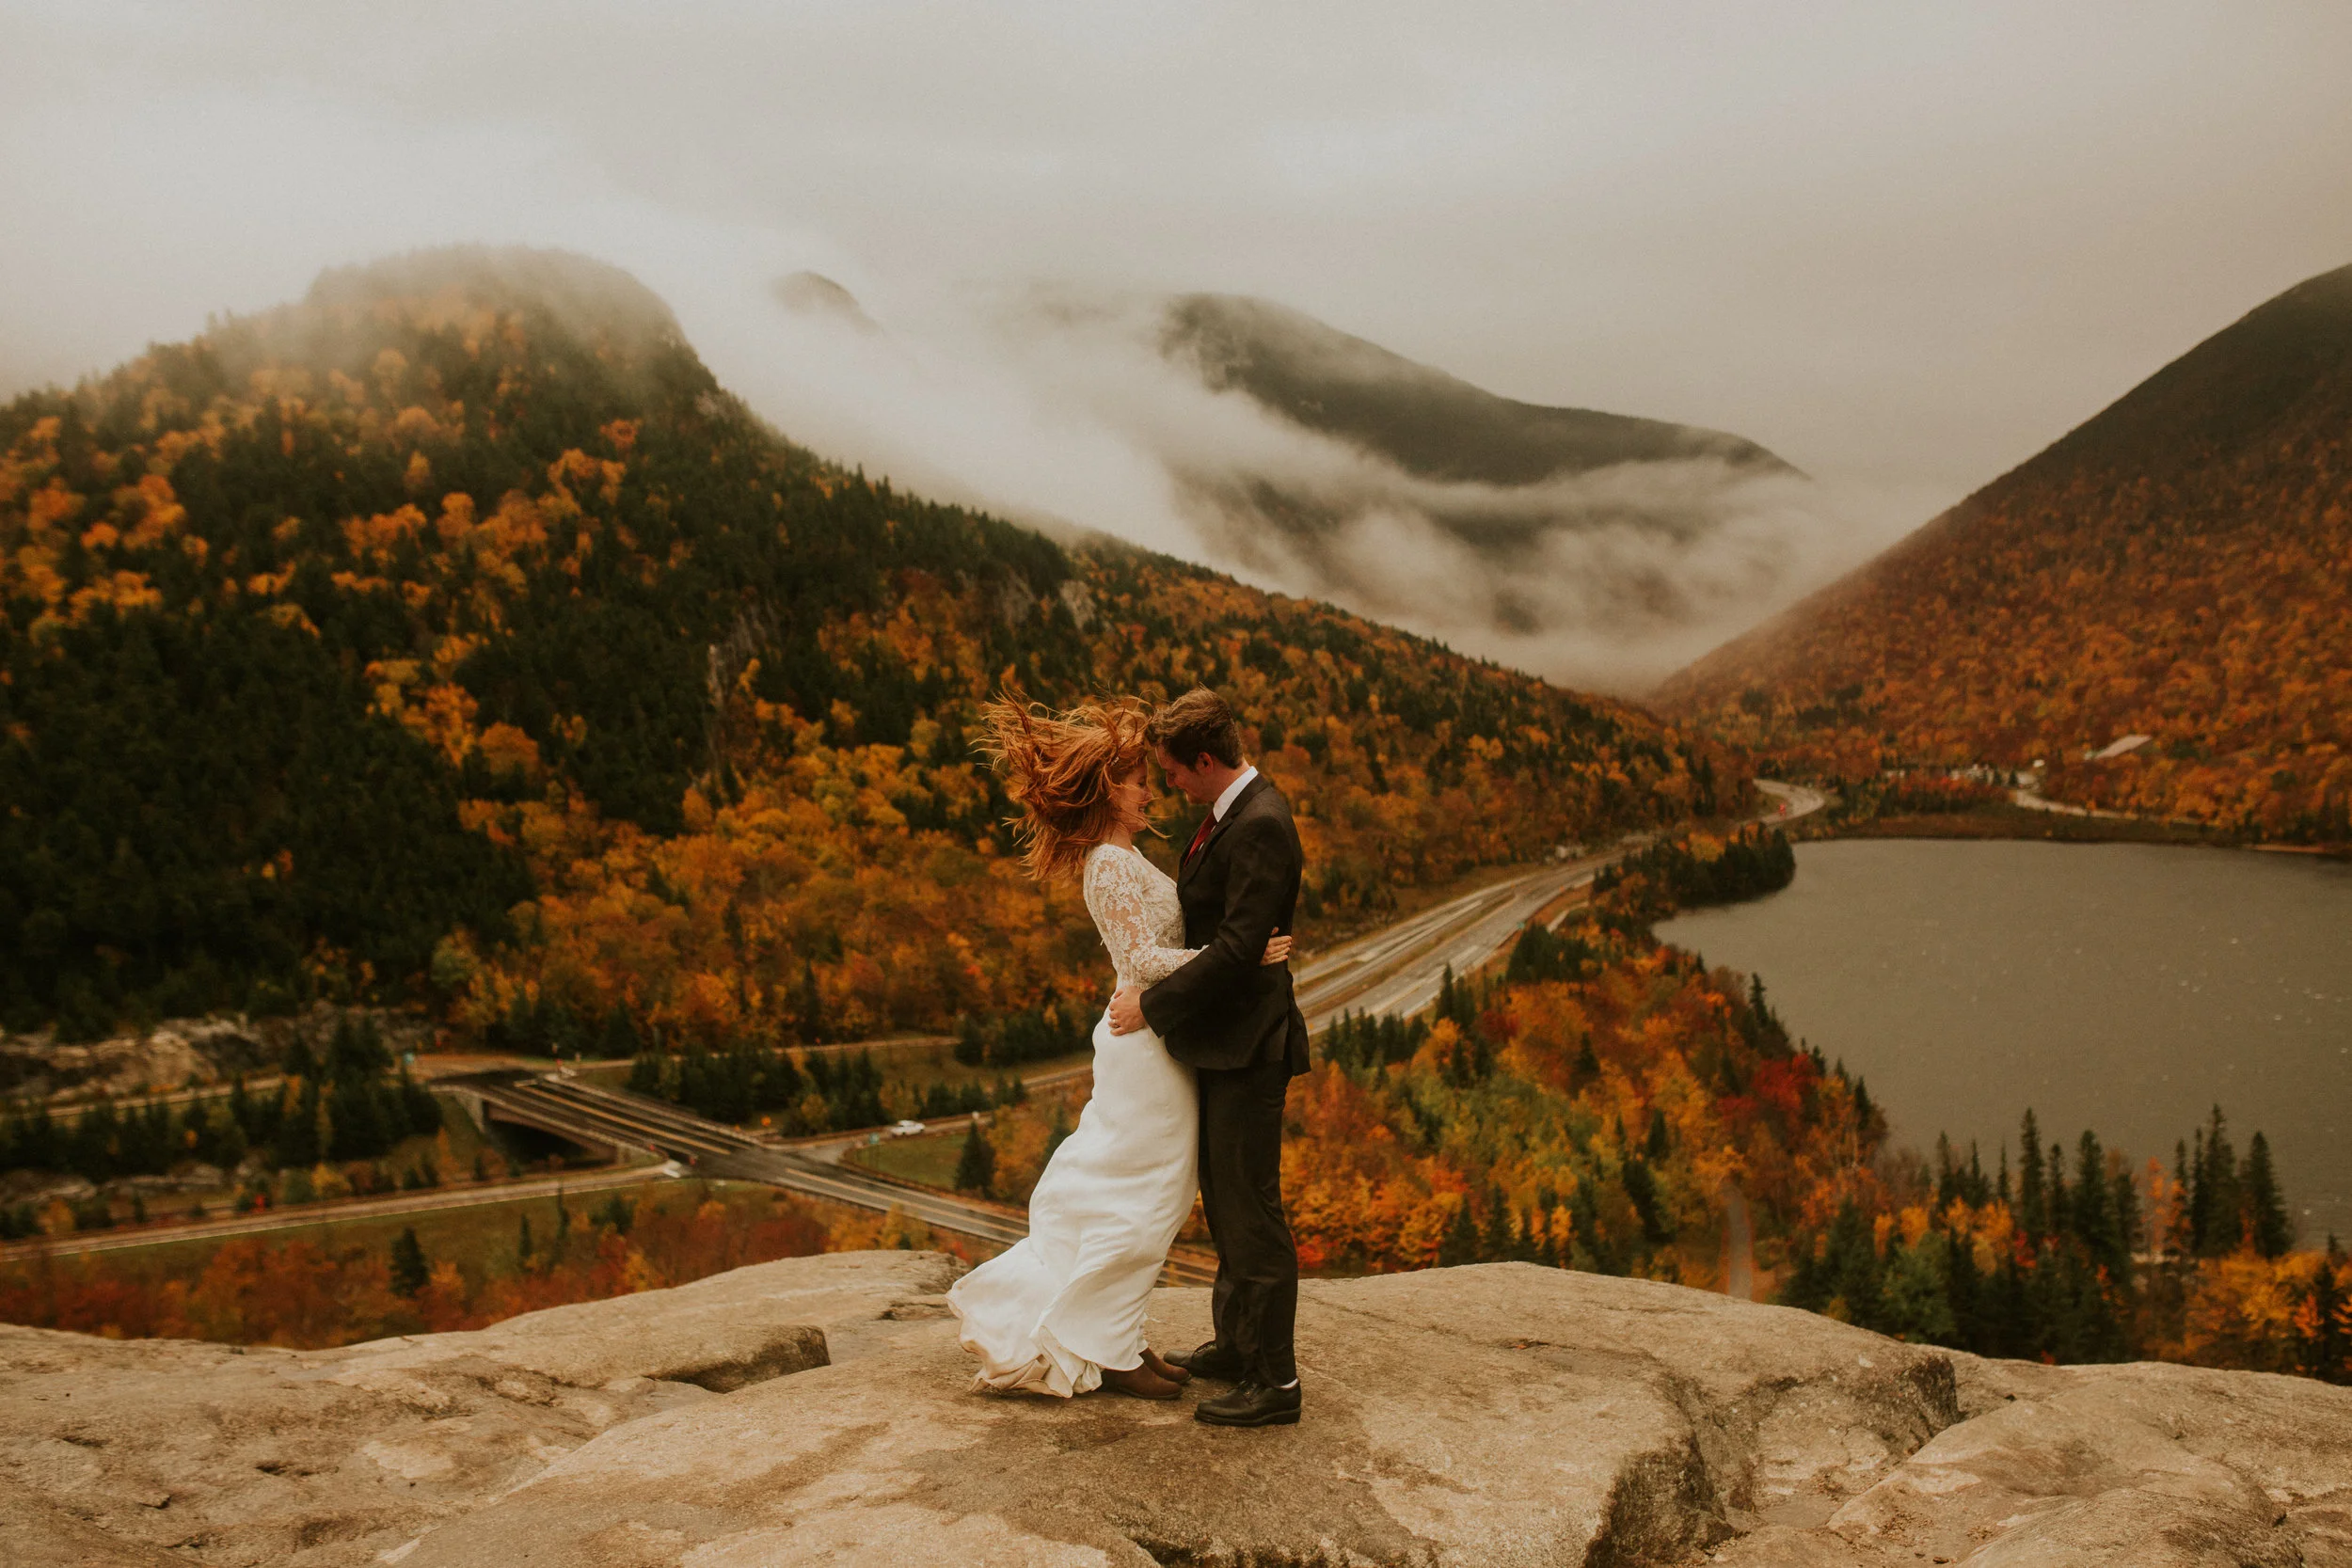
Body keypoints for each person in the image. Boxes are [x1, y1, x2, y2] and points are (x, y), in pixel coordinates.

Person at [946, 695, 1293, 1400]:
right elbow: (1140, 958)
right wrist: (1242, 952)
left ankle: (1119, 1336)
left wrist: (1232, 949)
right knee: (1147, 1197)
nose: (1150, 790)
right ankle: (1111, 1344)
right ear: (1110, 791)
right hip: (1145, 1037)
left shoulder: (1128, 854)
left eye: (1155, 775)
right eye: (1138, 780)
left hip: (1158, 1032)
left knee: (1157, 1196)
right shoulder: (1107, 864)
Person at [1106, 687, 1311, 1429]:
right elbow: (1232, 933)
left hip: (1250, 1046)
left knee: (1252, 1210)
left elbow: (1234, 949)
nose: (1168, 787)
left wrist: (1153, 1004)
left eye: (1174, 773)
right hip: (1224, 1040)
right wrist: (1245, 947)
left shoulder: (1259, 822)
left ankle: (1276, 1382)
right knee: (1225, 1204)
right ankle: (1235, 1342)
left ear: (1204, 758)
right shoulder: (1229, 815)